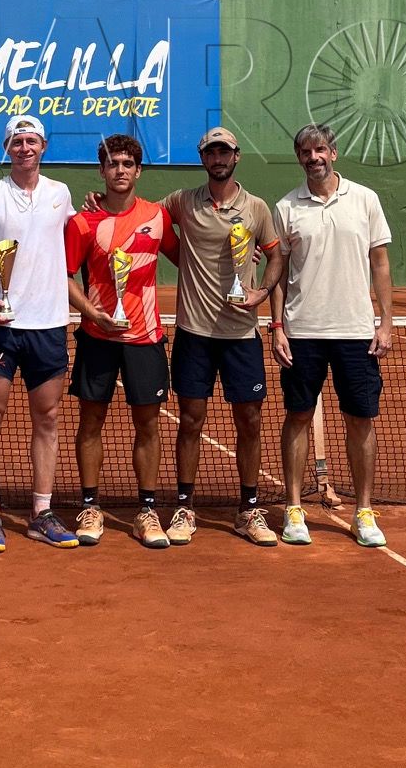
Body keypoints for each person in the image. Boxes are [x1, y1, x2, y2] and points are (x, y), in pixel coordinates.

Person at [270, 123, 393, 548]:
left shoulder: (365, 200)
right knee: (298, 416)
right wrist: (278, 326)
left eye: (319, 149)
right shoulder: (286, 207)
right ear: (300, 158)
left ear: (333, 153)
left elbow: (380, 262)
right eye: (305, 152)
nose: (313, 157)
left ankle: (363, 511)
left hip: (357, 332)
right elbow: (278, 274)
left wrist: (387, 322)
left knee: (360, 419)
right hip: (302, 332)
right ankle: (293, 509)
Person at [161, 127, 286, 546]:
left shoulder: (256, 208)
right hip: (193, 333)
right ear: (203, 158)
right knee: (191, 422)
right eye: (211, 152)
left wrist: (262, 292)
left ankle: (248, 510)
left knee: (250, 421)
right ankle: (183, 506)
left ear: (237, 157)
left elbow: (275, 254)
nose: (219, 158)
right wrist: (99, 202)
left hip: (241, 335)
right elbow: (144, 217)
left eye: (225, 151)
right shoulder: (183, 201)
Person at [64, 133, 179, 548]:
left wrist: (244, 257)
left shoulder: (158, 217)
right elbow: (65, 275)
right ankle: (90, 506)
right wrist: (91, 312)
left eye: (128, 164)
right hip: (97, 335)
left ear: (138, 170)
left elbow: (191, 259)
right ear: (102, 170)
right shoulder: (82, 222)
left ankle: (146, 511)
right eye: (113, 164)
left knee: (147, 423)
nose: (120, 171)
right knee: (90, 421)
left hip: (146, 337)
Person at [0, 114, 79, 549]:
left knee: (47, 418)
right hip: (1, 327)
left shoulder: (60, 193)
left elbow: (73, 235)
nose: (25, 148)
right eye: (17, 141)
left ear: (44, 147)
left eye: (32, 141)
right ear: (7, 148)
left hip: (49, 324)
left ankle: (42, 511)